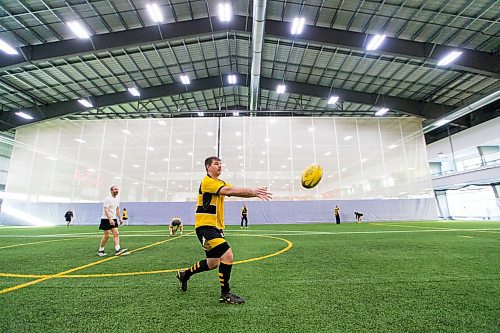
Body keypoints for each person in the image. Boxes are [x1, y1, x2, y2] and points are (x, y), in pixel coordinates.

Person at [176, 156, 272, 304]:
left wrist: (255, 193)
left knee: (213, 262)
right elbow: (230, 190)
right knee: (227, 255)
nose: (220, 166)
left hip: (216, 227)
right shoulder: (207, 182)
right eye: (216, 164)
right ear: (208, 167)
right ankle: (225, 294)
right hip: (205, 227)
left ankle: (185, 274)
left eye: (221, 163)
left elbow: (232, 190)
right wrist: (253, 190)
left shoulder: (220, 182)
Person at [97, 185, 128, 257]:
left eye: (117, 189)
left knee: (116, 233)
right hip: (106, 219)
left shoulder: (117, 199)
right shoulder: (107, 199)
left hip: (113, 218)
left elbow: (117, 209)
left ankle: (118, 249)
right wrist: (110, 219)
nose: (116, 191)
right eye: (115, 189)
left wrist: (120, 218)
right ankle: (101, 250)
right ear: (111, 190)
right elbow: (106, 210)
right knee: (107, 235)